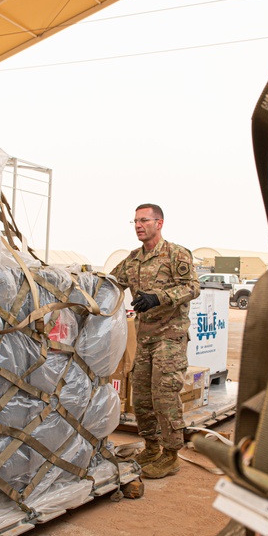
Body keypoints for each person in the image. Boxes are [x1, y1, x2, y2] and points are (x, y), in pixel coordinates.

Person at [110, 203, 200, 479]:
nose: (138, 225)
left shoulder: (176, 254)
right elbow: (111, 281)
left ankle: (171, 454)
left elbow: (192, 287)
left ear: (159, 223)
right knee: (142, 397)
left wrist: (159, 297)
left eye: (144, 220)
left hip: (170, 338)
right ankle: (151, 447)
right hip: (146, 338)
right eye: (135, 221)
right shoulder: (133, 259)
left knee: (164, 396)